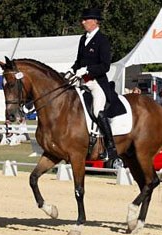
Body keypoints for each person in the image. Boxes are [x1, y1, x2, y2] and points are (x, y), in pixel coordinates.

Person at [68, 8, 118, 161]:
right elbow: (78, 61)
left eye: (86, 19)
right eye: (83, 19)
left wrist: (88, 70)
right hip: (82, 82)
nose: (83, 22)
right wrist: (71, 70)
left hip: (97, 83)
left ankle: (110, 147)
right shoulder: (83, 39)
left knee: (97, 111)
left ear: (95, 22)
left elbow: (105, 66)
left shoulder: (102, 40)